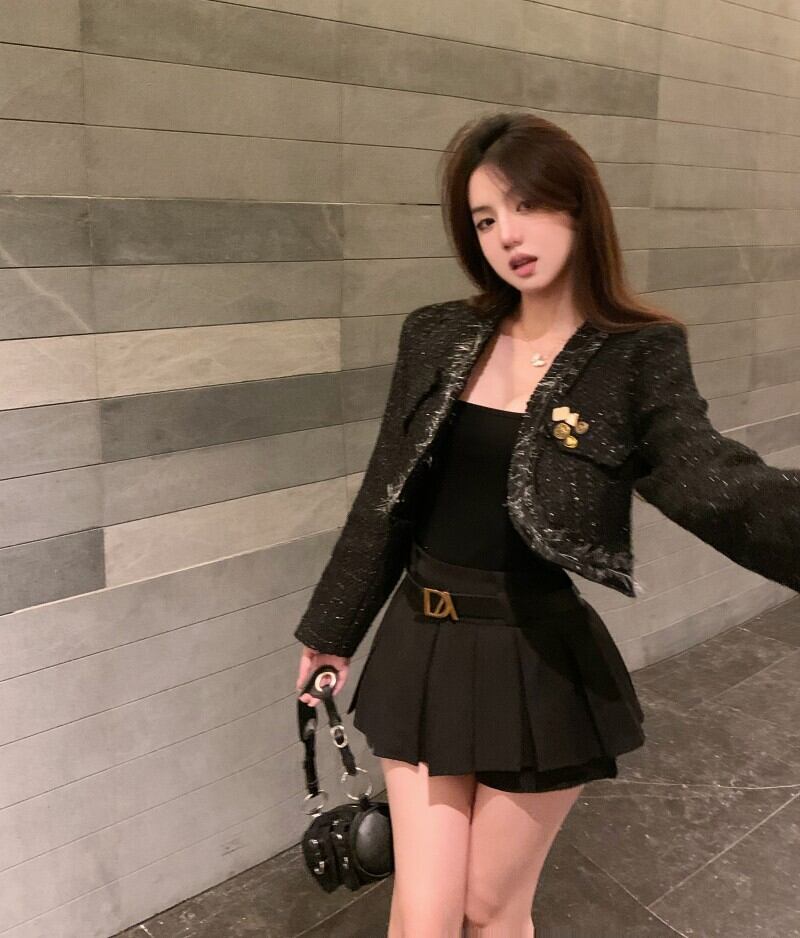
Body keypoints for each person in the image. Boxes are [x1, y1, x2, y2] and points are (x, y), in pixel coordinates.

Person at [294, 112, 800, 937]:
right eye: (484, 219)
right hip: (424, 641)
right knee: (425, 916)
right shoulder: (436, 334)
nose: (506, 234)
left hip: (534, 655)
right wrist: (332, 630)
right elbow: (386, 496)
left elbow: (717, 485)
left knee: (491, 911)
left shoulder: (636, 355)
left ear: (577, 206)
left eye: (526, 205)